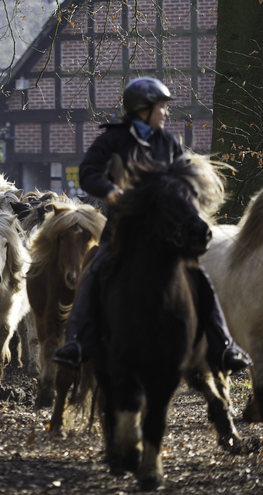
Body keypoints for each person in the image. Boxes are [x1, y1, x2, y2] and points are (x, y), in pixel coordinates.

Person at [52, 76, 252, 373]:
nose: (166, 113)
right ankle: (77, 342)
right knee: (94, 271)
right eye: (161, 107)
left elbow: (185, 179)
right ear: (142, 110)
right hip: (122, 230)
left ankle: (224, 346)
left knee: (199, 278)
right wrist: (109, 190)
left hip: (165, 235)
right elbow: (88, 172)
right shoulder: (113, 139)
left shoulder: (168, 142)